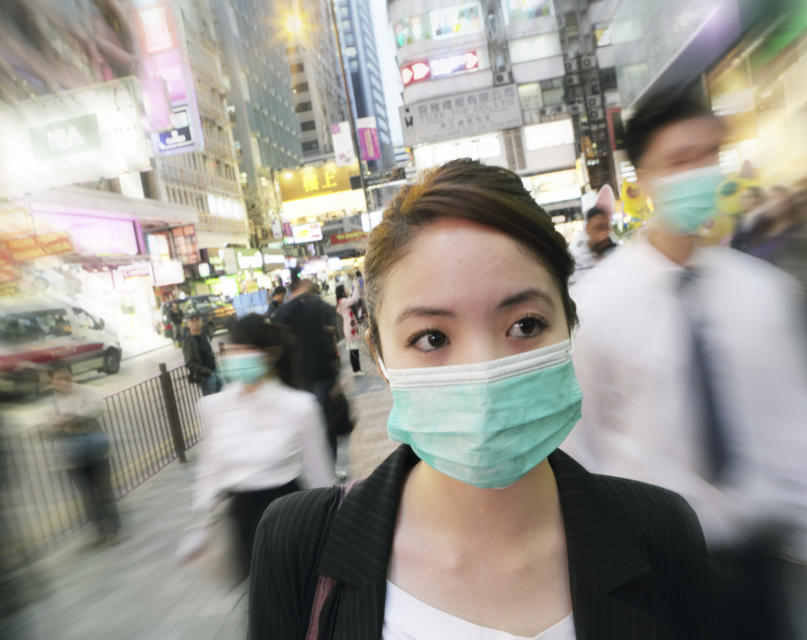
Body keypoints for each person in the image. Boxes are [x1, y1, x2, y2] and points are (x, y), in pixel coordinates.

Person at [249, 159, 713, 639]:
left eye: (525, 325)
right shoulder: (298, 546)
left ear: (569, 327)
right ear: (380, 356)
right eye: (431, 337)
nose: (484, 371)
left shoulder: (661, 534)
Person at [560, 92, 807, 638]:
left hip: (759, 566)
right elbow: (582, 450)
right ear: (644, 177)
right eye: (680, 161)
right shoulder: (596, 307)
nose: (700, 174)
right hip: (655, 572)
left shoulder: (765, 294)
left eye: (708, 157)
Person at [184, 315, 333, 583]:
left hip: (291, 519)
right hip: (242, 522)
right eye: (232, 349)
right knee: (259, 604)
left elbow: (319, 475)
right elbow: (208, 468)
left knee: (297, 602)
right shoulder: (214, 407)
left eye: (246, 349)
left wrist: (331, 531)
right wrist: (200, 525)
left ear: (269, 355)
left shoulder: (300, 407)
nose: (236, 356)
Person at [46, 364, 120, 545]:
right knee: (87, 495)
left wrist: (75, 416)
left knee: (104, 490)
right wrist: (54, 425)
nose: (63, 381)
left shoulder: (87, 391)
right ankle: (100, 532)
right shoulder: (53, 401)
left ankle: (114, 530)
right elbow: (47, 428)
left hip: (96, 451)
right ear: (52, 381)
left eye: (66, 376)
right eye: (58, 378)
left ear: (72, 376)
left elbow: (98, 408)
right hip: (74, 458)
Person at [271, 278, 342, 455]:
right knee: (325, 427)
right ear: (301, 288)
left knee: (305, 431)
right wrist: (334, 379)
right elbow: (324, 345)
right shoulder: (313, 309)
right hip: (319, 377)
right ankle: (327, 467)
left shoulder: (280, 315)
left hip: (295, 381)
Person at [568, 206, 617, 282]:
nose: (603, 234)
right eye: (598, 228)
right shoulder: (576, 264)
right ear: (587, 229)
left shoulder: (618, 255)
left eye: (606, 227)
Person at [182, 311, 223, 396]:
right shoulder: (188, 341)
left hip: (215, 371)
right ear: (188, 324)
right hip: (206, 377)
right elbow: (189, 363)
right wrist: (207, 372)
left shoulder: (203, 335)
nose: (195, 322)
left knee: (223, 395)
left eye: (197, 320)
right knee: (212, 401)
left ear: (201, 321)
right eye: (192, 321)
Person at [335, 284, 363, 376]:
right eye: (345, 289)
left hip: (348, 327)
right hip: (350, 328)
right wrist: (355, 287)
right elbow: (354, 299)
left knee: (353, 349)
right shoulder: (343, 301)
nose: (347, 290)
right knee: (354, 349)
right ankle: (356, 370)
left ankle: (357, 370)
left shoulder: (341, 302)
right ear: (342, 292)